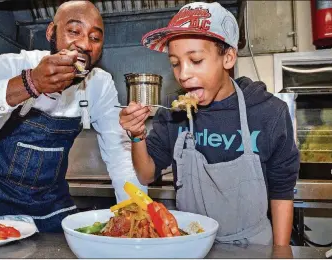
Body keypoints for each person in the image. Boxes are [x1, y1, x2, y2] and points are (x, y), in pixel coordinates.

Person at [0, 0, 147, 232]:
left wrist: (138, 218)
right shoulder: (11, 65)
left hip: (52, 212)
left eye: (95, 37)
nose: (84, 44)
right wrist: (29, 83)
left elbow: (120, 159)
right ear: (52, 32)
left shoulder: (98, 84)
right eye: (73, 31)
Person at [119, 2, 299, 245]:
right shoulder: (174, 111)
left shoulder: (268, 112)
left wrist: (281, 250)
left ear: (228, 57)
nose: (183, 74)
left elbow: (282, 191)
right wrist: (137, 134)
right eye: (175, 63)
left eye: (195, 60)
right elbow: (146, 174)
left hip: (253, 247)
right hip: (191, 243)